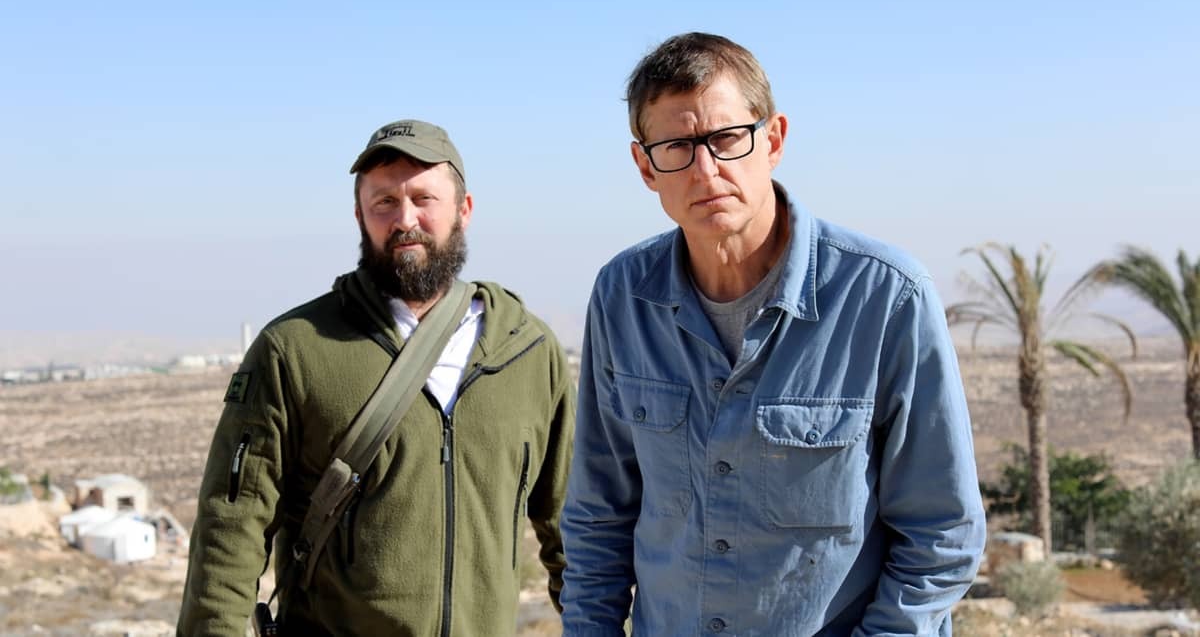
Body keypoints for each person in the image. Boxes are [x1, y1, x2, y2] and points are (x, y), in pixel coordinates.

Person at [560, 33, 986, 636]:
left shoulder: (886, 296)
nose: (706, 170)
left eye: (727, 138)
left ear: (774, 140)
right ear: (645, 166)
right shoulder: (623, 296)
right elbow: (598, 517)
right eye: (677, 146)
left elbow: (942, 532)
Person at [177, 119, 576, 636]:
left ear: (464, 210)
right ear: (360, 216)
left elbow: (575, 527)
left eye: (423, 198)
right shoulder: (294, 350)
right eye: (384, 202)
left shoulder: (527, 350)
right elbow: (229, 534)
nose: (405, 218)